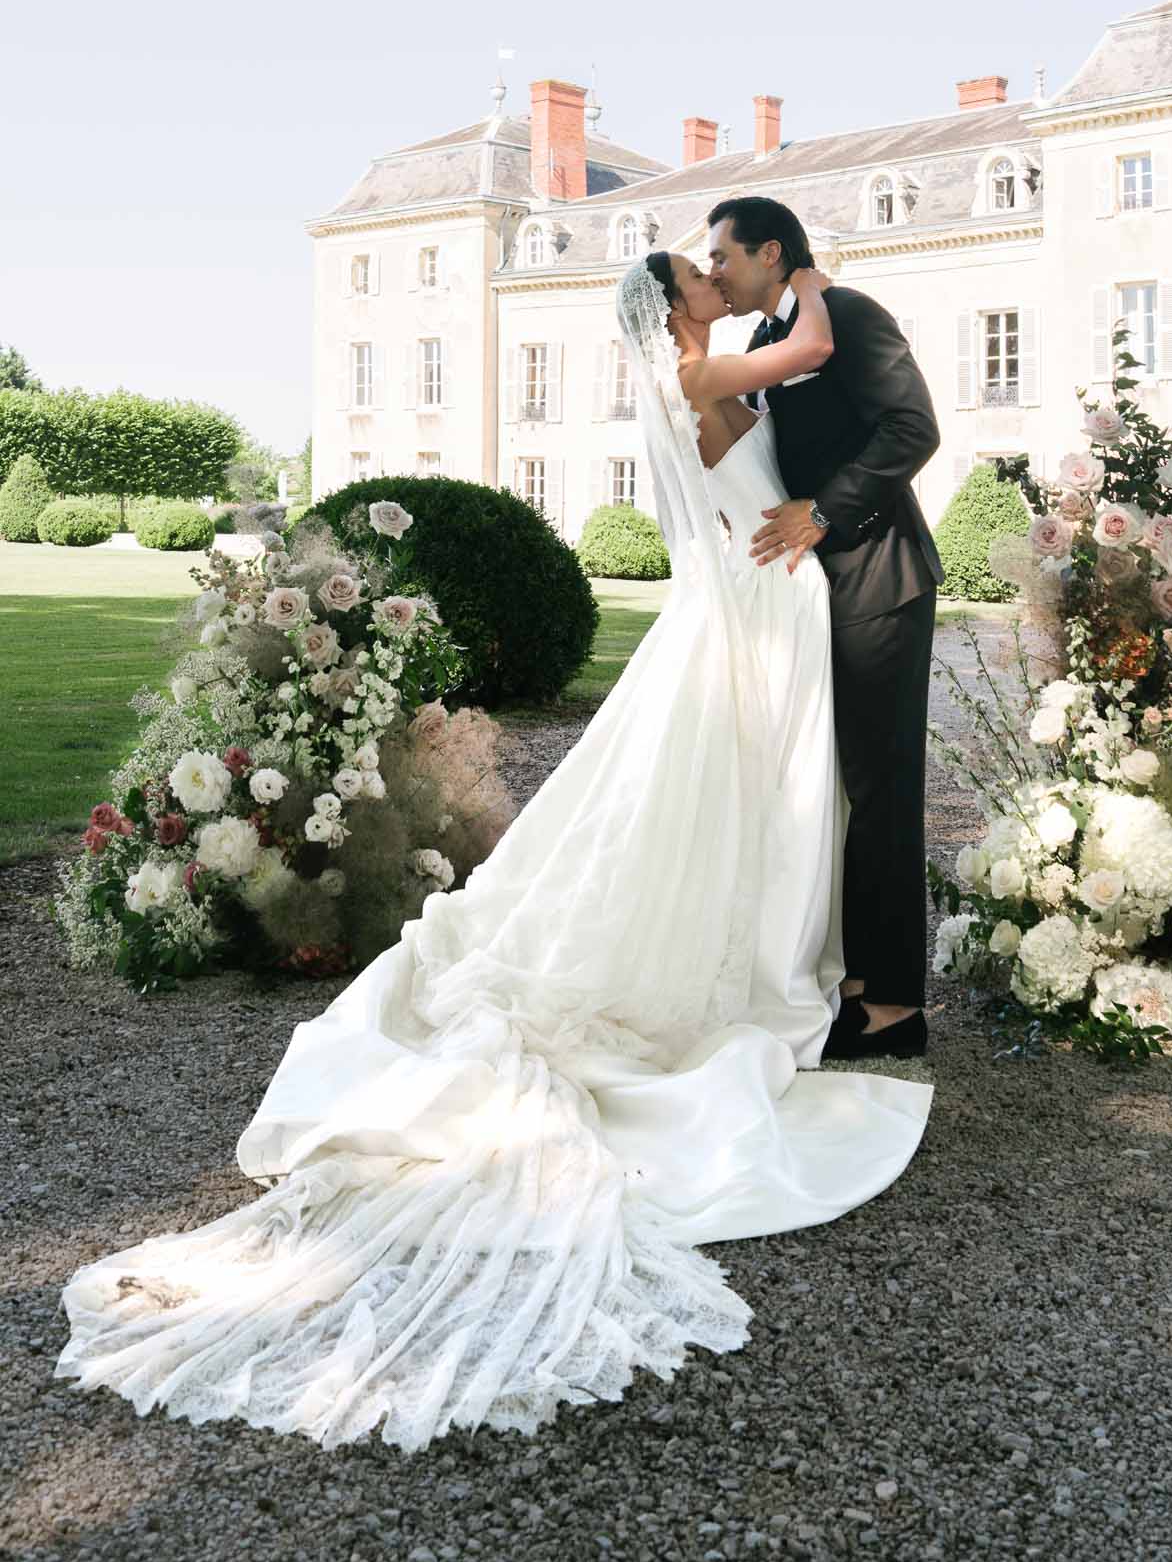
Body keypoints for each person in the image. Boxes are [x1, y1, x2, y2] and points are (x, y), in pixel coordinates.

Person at [56, 247, 931, 1453]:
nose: (713, 282)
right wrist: (806, 277)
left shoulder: (692, 367)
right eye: (697, 275)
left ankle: (774, 957)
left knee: (717, 809)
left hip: (747, 608)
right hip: (752, 615)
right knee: (735, 809)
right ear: (672, 308)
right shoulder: (701, 369)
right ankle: (759, 973)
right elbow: (817, 345)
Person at [706, 196, 943, 1059]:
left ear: (771, 254)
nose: (715, 272)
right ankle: (842, 979)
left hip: (878, 582)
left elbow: (912, 427)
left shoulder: (846, 312)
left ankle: (893, 1007)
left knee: (880, 792)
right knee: (821, 790)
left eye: (723, 256)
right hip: (803, 603)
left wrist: (824, 515)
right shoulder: (765, 346)